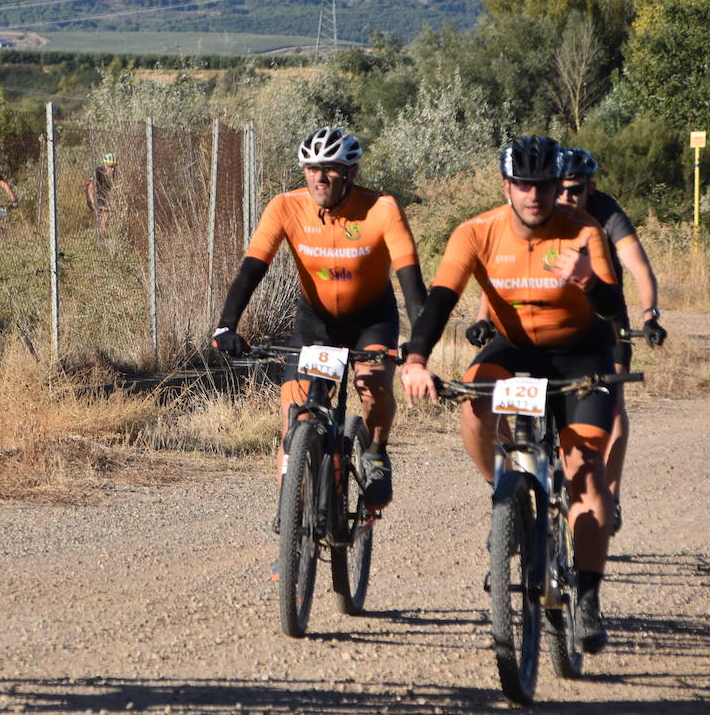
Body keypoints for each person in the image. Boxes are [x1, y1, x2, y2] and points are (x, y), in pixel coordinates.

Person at [399, 135, 626, 654]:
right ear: (507, 187)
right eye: (523, 185)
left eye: (543, 185)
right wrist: (416, 359)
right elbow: (439, 301)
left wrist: (591, 282)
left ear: (554, 187)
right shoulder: (476, 232)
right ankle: (506, 492)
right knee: (475, 402)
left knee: (586, 475)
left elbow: (614, 310)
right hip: (514, 347)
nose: (534, 195)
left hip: (581, 355)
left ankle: (587, 600)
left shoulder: (584, 230)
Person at [212, 126, 426, 514]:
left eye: (329, 168)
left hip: (371, 321)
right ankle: (289, 517)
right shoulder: (285, 207)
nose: (319, 177)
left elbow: (411, 280)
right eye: (311, 168)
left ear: (351, 173)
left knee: (373, 386)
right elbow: (251, 269)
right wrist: (226, 325)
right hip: (316, 323)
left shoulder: (382, 209)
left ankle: (376, 453)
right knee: (293, 414)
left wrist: (421, 344)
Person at [468, 148, 667, 532]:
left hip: (602, 320)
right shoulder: (538, 214)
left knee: (613, 402)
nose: (566, 199)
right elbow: (502, 274)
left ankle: (609, 492)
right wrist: (482, 319)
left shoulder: (605, 215)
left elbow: (639, 267)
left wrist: (650, 314)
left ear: (591, 186)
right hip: (543, 321)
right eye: (560, 189)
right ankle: (514, 492)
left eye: (575, 191)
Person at [86, 152, 118, 233]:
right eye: (110, 167)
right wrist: (93, 202)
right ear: (105, 165)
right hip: (92, 195)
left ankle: (99, 233)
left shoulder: (114, 174)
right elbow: (90, 187)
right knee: (105, 213)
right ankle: (102, 235)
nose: (112, 169)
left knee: (107, 216)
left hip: (102, 195)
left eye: (114, 167)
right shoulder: (98, 172)